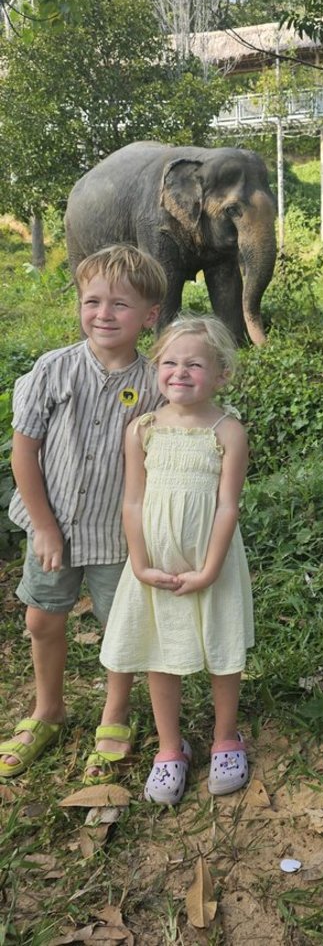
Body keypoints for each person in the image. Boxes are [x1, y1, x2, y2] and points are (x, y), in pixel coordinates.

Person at [0, 244, 167, 782]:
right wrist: (45, 528)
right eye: (92, 301)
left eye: (119, 304)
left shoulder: (155, 384)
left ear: (150, 315)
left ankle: (115, 715)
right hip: (53, 529)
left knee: (118, 625)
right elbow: (24, 451)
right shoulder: (54, 369)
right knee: (42, 618)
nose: (103, 314)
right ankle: (47, 711)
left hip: (117, 536)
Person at [100, 314, 254, 806]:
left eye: (194, 364)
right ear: (155, 368)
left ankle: (226, 737)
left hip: (213, 563)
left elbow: (228, 505)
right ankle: (170, 748)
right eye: (169, 362)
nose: (180, 372)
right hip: (155, 564)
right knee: (157, 650)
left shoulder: (228, 432)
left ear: (221, 373)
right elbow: (131, 502)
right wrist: (140, 564)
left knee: (221, 649)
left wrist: (210, 568)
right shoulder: (141, 429)